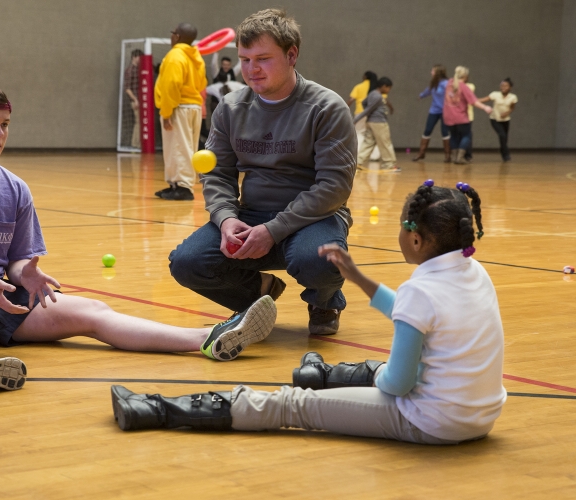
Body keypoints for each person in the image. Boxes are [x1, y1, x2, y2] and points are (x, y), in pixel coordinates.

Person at [0, 83, 278, 391]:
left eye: (4, 124)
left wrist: (26, 275)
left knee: (94, 312)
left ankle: (209, 337)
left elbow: (17, 261)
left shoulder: (15, 188)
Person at [111, 180, 507, 447]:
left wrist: (369, 386)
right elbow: (418, 313)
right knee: (393, 365)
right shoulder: (473, 271)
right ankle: (322, 375)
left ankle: (157, 409)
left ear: (416, 238)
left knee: (293, 404)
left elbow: (398, 384)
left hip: (431, 422)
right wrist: (355, 276)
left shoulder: (421, 291)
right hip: (480, 416)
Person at [168, 9, 356, 336]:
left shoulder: (326, 107)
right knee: (187, 262)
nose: (251, 70)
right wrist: (226, 218)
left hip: (316, 218)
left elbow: (334, 186)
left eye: (263, 59)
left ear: (292, 54)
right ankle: (259, 291)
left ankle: (325, 299)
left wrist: (273, 230)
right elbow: (217, 174)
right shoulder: (230, 108)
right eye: (244, 59)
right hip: (251, 214)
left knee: (318, 260)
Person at [153, 23, 207, 201]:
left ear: (176, 36)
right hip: (194, 106)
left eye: (172, 33)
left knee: (178, 147)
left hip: (179, 107)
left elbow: (171, 86)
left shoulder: (175, 55)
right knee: (186, 147)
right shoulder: (195, 56)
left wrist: (167, 113)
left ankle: (183, 187)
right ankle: (175, 184)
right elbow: (201, 84)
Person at [442, 66, 491, 164]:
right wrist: (485, 107)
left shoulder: (448, 83)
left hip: (448, 116)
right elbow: (473, 101)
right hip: (460, 116)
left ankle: (454, 156)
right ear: (465, 76)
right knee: (466, 135)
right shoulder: (463, 86)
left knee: (454, 136)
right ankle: (459, 158)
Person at [354, 77, 398, 171]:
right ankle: (389, 164)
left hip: (370, 122)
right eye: (388, 88)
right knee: (385, 142)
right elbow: (368, 109)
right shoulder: (377, 96)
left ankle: (357, 162)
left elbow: (364, 102)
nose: (389, 90)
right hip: (379, 122)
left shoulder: (372, 93)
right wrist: (356, 119)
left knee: (368, 143)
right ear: (383, 86)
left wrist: (371, 113)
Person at [412, 65, 450, 162]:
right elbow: (428, 91)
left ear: (438, 72)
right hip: (434, 110)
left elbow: (452, 94)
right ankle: (421, 153)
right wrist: (421, 95)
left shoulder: (446, 84)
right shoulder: (434, 83)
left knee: (445, 132)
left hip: (444, 111)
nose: (431, 72)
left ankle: (447, 155)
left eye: (432, 71)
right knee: (427, 130)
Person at [478, 78, 517, 162]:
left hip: (506, 120)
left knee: (505, 138)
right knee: (502, 135)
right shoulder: (495, 94)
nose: (503, 87)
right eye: (502, 85)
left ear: (510, 88)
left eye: (506, 86)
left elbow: (512, 108)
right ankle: (506, 155)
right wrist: (474, 100)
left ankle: (503, 151)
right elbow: (484, 99)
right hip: (495, 119)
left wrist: (507, 113)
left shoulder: (513, 97)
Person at [346, 71, 380, 161]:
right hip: (372, 114)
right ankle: (374, 156)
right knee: (372, 135)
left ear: (365, 76)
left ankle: (358, 154)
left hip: (360, 113)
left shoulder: (359, 86)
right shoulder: (376, 88)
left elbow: (351, 99)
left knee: (359, 133)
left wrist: (344, 108)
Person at [121, 49, 142, 149]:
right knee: (138, 122)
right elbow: (127, 88)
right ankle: (135, 144)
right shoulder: (130, 70)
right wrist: (135, 99)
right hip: (135, 101)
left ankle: (138, 144)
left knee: (141, 122)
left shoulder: (139, 69)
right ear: (134, 57)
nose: (140, 59)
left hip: (141, 100)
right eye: (139, 57)